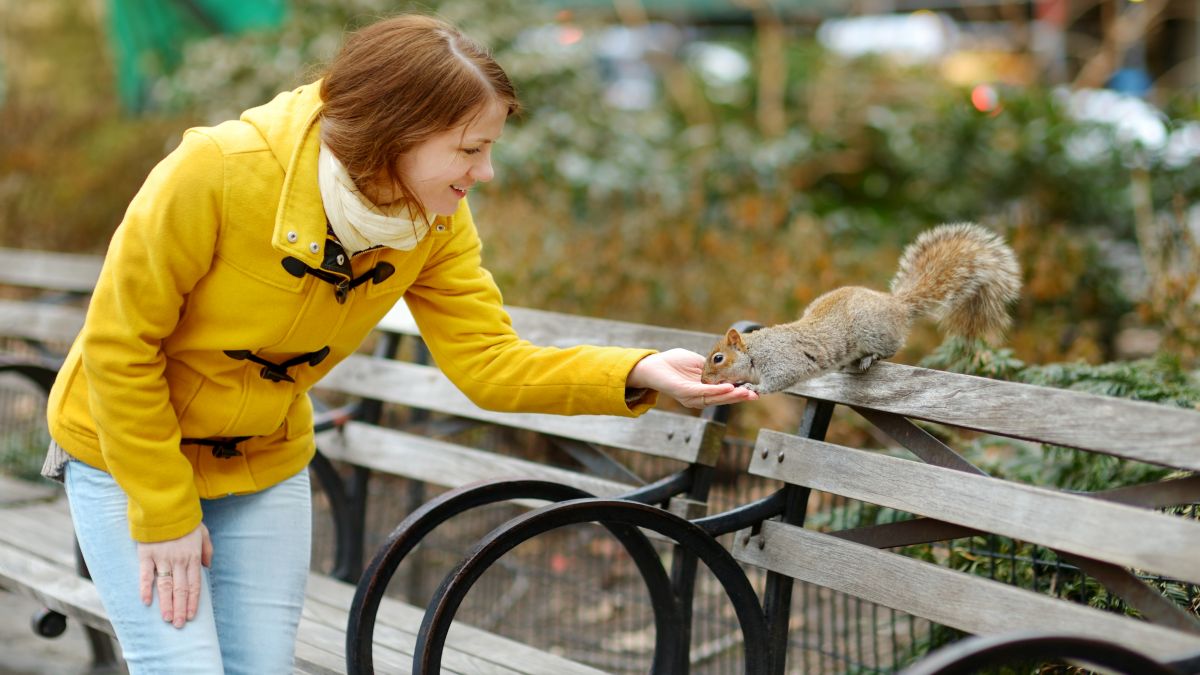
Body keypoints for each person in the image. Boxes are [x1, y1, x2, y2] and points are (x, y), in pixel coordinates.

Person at [42, 13, 757, 673]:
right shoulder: (219, 170)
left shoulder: (435, 219)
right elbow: (118, 347)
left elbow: (489, 362)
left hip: (261, 460)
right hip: (126, 456)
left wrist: (639, 369)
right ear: (396, 132)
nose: (485, 172)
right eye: (470, 149)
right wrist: (165, 512)